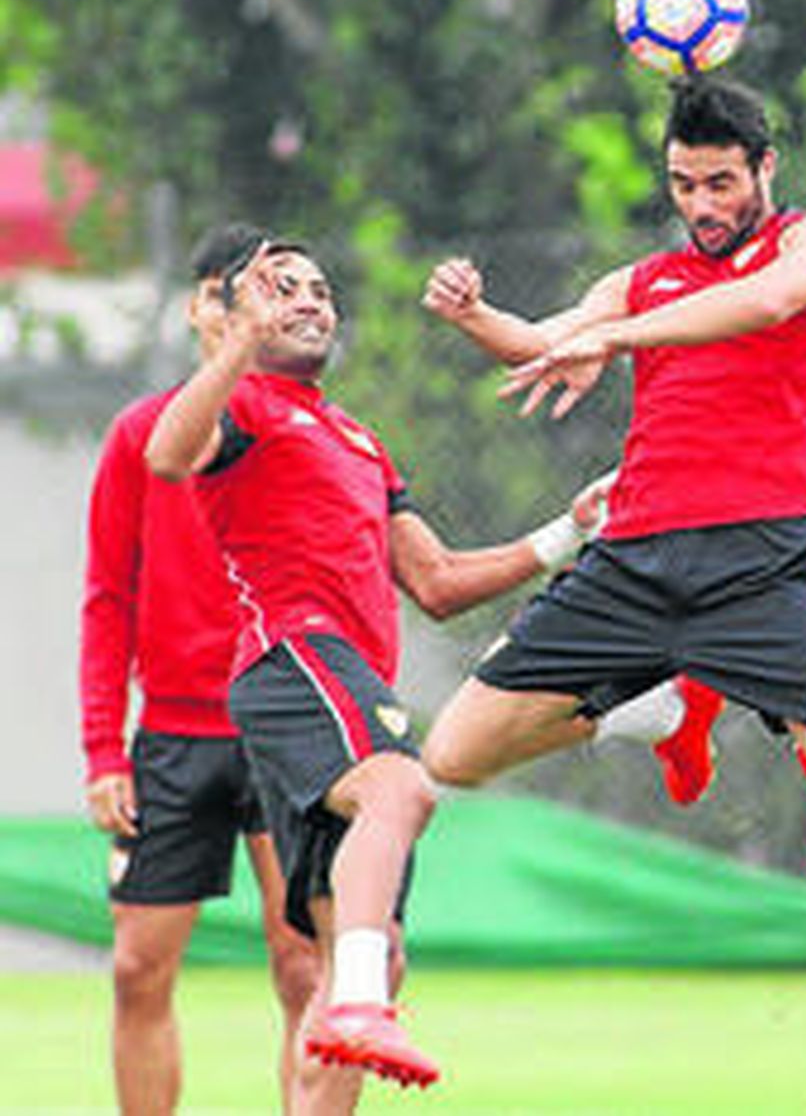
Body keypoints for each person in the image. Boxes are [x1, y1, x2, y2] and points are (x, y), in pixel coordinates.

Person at [144, 236, 608, 1096]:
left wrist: (567, 532)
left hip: (349, 681)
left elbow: (435, 582)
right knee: (402, 790)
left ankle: (358, 998)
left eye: (320, 288)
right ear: (241, 309)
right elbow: (168, 454)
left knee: (370, 957)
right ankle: (359, 1003)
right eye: (283, 288)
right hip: (294, 660)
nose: (310, 300)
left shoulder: (357, 439)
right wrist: (240, 341)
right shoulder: (244, 402)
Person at [418, 74, 806, 849]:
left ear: (765, 168)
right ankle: (653, 709)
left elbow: (773, 299)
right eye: (683, 185)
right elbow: (546, 341)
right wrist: (474, 314)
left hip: (766, 563)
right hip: (633, 562)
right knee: (455, 751)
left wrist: (618, 337)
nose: (702, 206)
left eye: (721, 184)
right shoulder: (643, 283)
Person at [80, 223, 319, 1116]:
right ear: (202, 308)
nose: (260, 311)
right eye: (240, 293)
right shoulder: (144, 437)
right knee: (139, 967)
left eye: (280, 292)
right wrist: (105, 749)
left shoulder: (305, 432)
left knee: (303, 965)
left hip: (284, 729)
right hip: (174, 738)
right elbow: (108, 595)